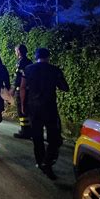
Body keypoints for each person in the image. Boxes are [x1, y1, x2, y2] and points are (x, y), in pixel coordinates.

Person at [20, 48, 69, 180]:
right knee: (55, 138)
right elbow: (65, 87)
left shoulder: (28, 69)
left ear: (36, 57)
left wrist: (23, 105)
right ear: (48, 57)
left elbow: (23, 87)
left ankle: (40, 162)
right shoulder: (54, 70)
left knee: (37, 136)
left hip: (33, 107)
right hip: (49, 107)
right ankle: (47, 161)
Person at [12, 44, 33, 139]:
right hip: (28, 89)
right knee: (26, 110)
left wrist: (14, 88)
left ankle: (25, 131)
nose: (15, 52)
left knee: (22, 111)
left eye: (16, 50)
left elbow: (19, 78)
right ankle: (28, 130)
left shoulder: (21, 62)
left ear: (19, 51)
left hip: (22, 89)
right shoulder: (29, 61)